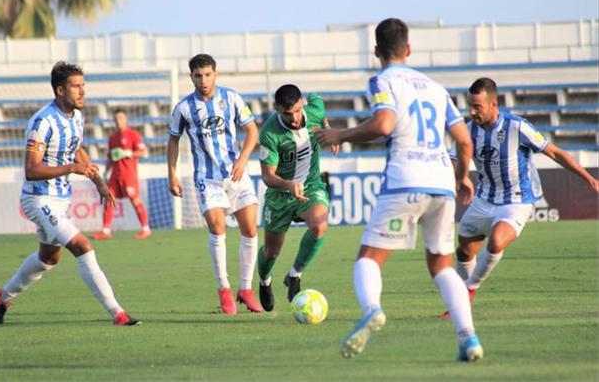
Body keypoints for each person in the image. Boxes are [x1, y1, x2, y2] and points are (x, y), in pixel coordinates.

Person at [316, 18, 483, 362]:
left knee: (369, 259)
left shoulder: (382, 80)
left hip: (406, 180)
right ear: (409, 49)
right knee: (442, 266)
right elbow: (464, 141)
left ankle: (372, 309)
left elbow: (384, 124)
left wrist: (340, 135)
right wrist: (462, 176)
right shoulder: (436, 88)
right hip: (441, 184)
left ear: (376, 51)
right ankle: (469, 339)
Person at [0, 61, 140, 326]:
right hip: (38, 198)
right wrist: (72, 168)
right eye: (76, 86)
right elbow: (31, 170)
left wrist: (98, 181)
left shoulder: (77, 116)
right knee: (83, 247)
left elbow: (76, 148)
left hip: (60, 200)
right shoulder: (43, 122)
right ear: (60, 90)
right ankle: (118, 313)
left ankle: (2, 296)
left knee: (49, 258)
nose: (83, 92)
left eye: (84, 86)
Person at [445, 77, 599, 315]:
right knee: (464, 250)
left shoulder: (517, 127)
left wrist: (589, 178)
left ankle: (467, 291)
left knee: (496, 241)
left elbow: (555, 153)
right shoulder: (467, 131)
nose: (472, 112)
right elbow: (453, 162)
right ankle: (464, 301)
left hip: (517, 201)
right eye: (470, 106)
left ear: (493, 104)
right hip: (484, 199)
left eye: (478, 106)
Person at [167, 53, 262, 315]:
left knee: (250, 230)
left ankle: (246, 288)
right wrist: (172, 174)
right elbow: (173, 140)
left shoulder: (231, 98)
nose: (203, 79)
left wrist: (243, 159)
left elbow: (252, 131)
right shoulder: (184, 108)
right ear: (192, 77)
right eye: (198, 75)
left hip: (236, 175)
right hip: (207, 179)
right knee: (217, 228)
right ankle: (224, 289)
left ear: (215, 74)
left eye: (208, 74)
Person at [256, 84, 339, 311]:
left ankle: (295, 275)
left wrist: (327, 127)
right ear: (277, 109)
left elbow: (317, 97)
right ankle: (264, 281)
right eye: (286, 113)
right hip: (279, 194)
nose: (293, 118)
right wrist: (288, 184)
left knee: (320, 226)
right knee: (271, 251)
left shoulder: (313, 111)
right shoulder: (270, 134)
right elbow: (267, 177)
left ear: (302, 103)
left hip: (311, 186)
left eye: (296, 111)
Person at [91, 108, 152, 241]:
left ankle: (146, 229)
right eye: (116, 119)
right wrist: (106, 172)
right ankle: (106, 231)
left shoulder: (133, 135)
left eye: (120, 119)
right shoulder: (113, 138)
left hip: (128, 174)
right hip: (115, 174)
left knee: (135, 200)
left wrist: (128, 153)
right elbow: (110, 157)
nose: (118, 122)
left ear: (126, 119)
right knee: (109, 199)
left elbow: (142, 153)